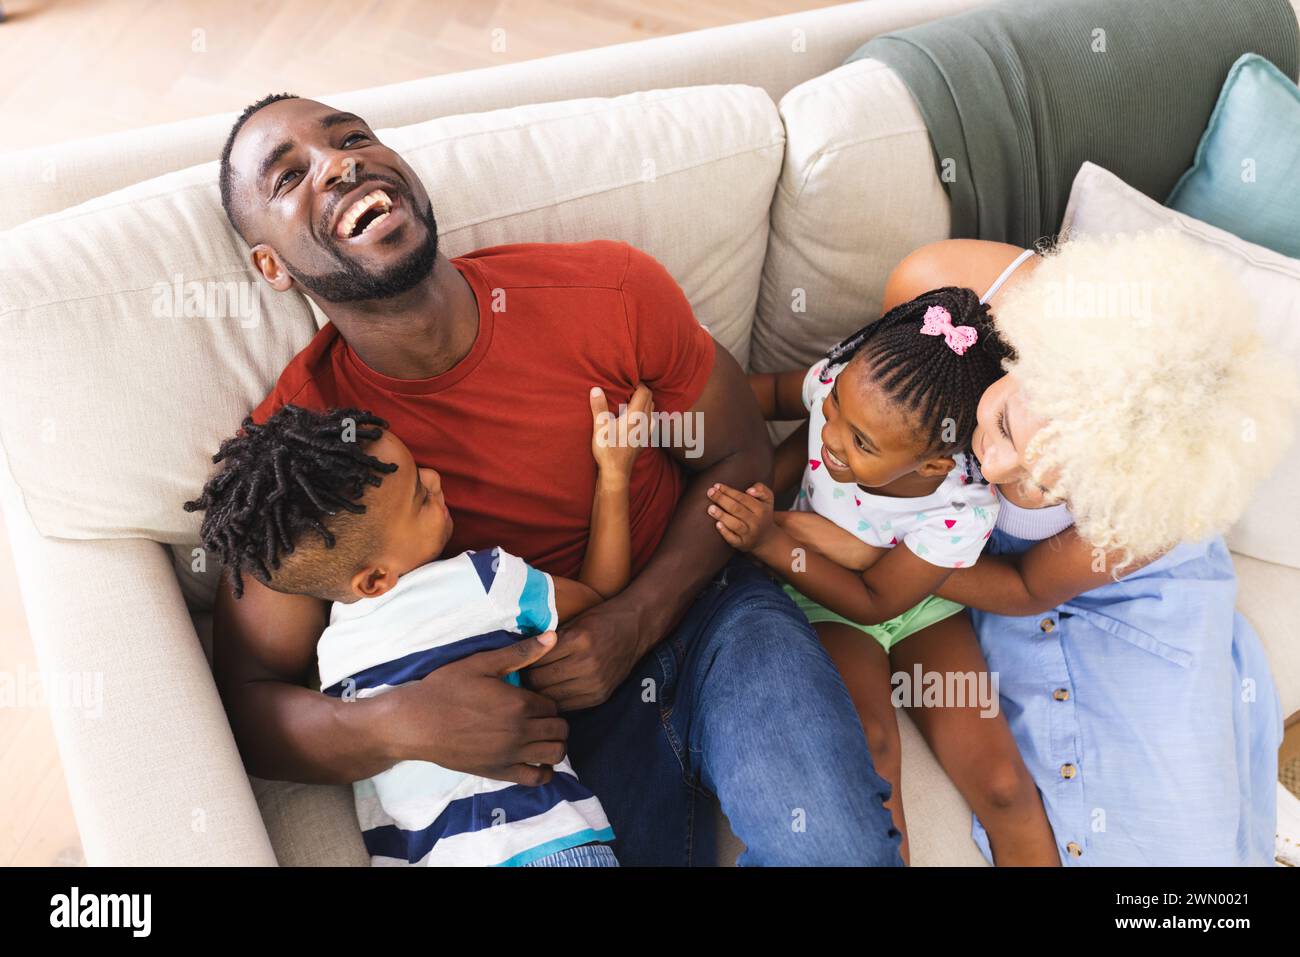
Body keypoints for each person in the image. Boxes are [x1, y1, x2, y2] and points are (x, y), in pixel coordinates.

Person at [208, 91, 902, 865]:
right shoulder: (299, 453)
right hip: (545, 722)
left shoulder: (610, 291)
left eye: (352, 137)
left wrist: (636, 615)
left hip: (714, 619)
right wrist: (397, 724)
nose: (340, 162)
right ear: (269, 264)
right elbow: (246, 697)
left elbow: (737, 454)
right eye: (289, 176)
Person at [812, 232, 1295, 864]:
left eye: (1047, 486)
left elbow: (1029, 588)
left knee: (1187, 863)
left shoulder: (1150, 502)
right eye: (1008, 423)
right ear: (1030, 353)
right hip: (961, 559)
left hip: (1094, 586)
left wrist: (880, 557)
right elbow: (854, 404)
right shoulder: (942, 286)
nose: (996, 464)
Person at [185, 388, 650, 865]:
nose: (435, 478)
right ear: (375, 578)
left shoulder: (332, 660)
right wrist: (614, 478)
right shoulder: (483, 581)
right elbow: (599, 598)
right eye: (419, 497)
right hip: (540, 843)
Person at [709, 286, 1059, 865]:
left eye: (860, 443)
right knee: (871, 746)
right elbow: (768, 392)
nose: (831, 435)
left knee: (1002, 783)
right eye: (836, 409)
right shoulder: (845, 387)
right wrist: (687, 413)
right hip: (823, 600)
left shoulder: (964, 502)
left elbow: (877, 598)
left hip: (918, 606)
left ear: (932, 464)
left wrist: (771, 539)